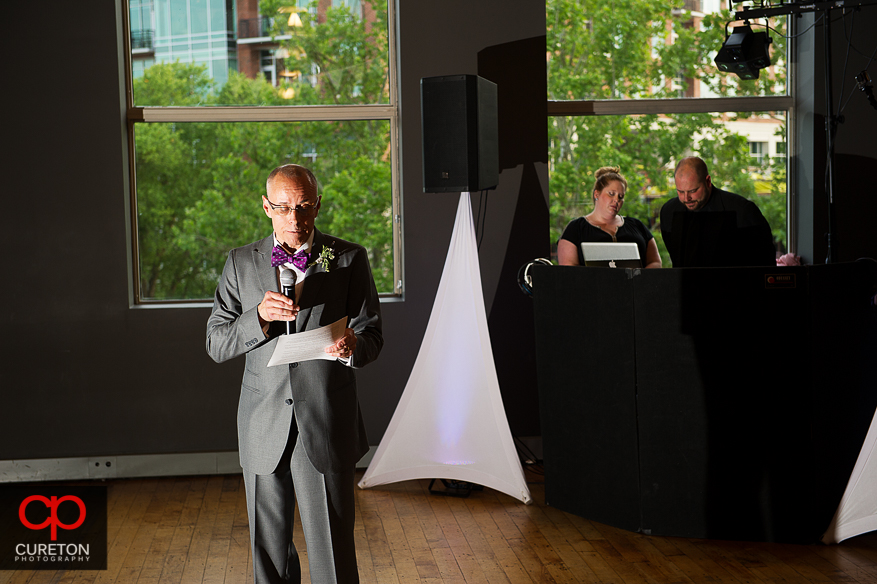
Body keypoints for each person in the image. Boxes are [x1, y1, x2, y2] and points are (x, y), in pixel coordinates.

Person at [206, 164, 383, 584]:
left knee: (333, 555)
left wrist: (351, 347)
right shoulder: (239, 263)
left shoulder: (348, 258)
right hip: (262, 422)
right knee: (268, 559)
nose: (295, 220)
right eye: (284, 208)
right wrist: (259, 319)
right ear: (266, 207)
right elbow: (216, 342)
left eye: (303, 207)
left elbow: (371, 334)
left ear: (317, 205)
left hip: (324, 421)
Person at [660, 156, 775, 267]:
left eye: (693, 191)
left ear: (708, 181)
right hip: (685, 285)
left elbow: (764, 263)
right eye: (680, 191)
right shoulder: (669, 212)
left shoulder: (742, 211)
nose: (686, 198)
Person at [557, 166, 662, 268]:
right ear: (596, 194)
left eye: (621, 197)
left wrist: (639, 280)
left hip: (636, 285)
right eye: (611, 194)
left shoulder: (637, 226)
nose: (616, 200)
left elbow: (655, 262)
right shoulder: (576, 228)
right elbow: (568, 272)